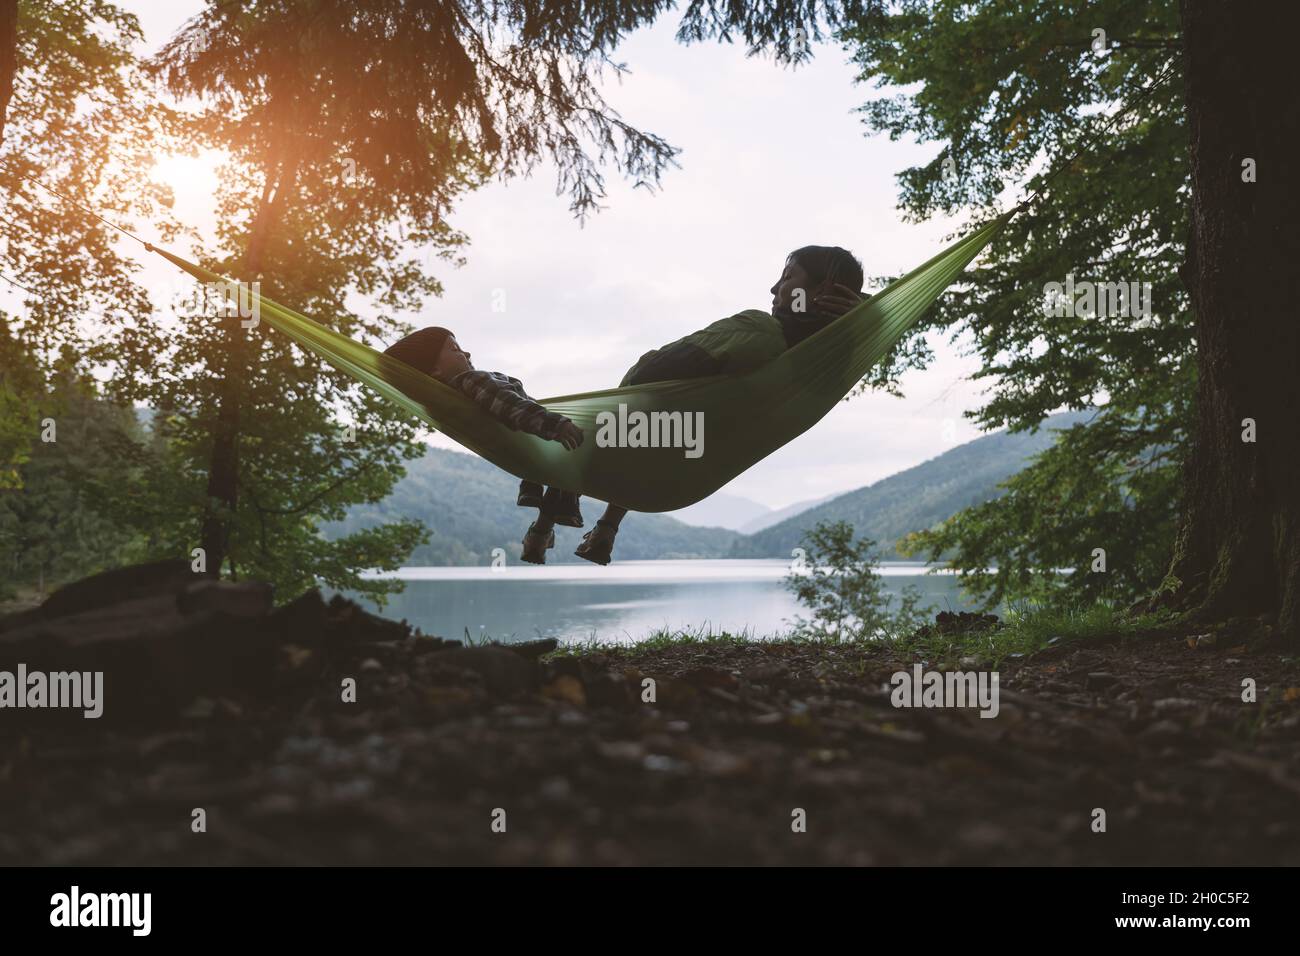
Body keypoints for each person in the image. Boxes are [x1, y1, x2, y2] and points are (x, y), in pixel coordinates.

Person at [560, 244, 869, 565]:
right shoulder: (829, 366)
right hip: (681, 476)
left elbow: (645, 374)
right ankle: (603, 523)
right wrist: (861, 312)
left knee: (646, 407)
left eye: (788, 277)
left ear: (823, 290)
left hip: (643, 446)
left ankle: (567, 491)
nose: (775, 289)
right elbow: (880, 319)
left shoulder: (760, 332)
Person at [383, 327, 586, 564]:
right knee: (588, 444)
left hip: (529, 449)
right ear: (435, 369)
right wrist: (555, 425)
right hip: (537, 433)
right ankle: (560, 523)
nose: (466, 353)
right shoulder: (471, 380)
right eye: (455, 349)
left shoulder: (448, 400)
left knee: (565, 469)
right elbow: (510, 405)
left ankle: (541, 524)